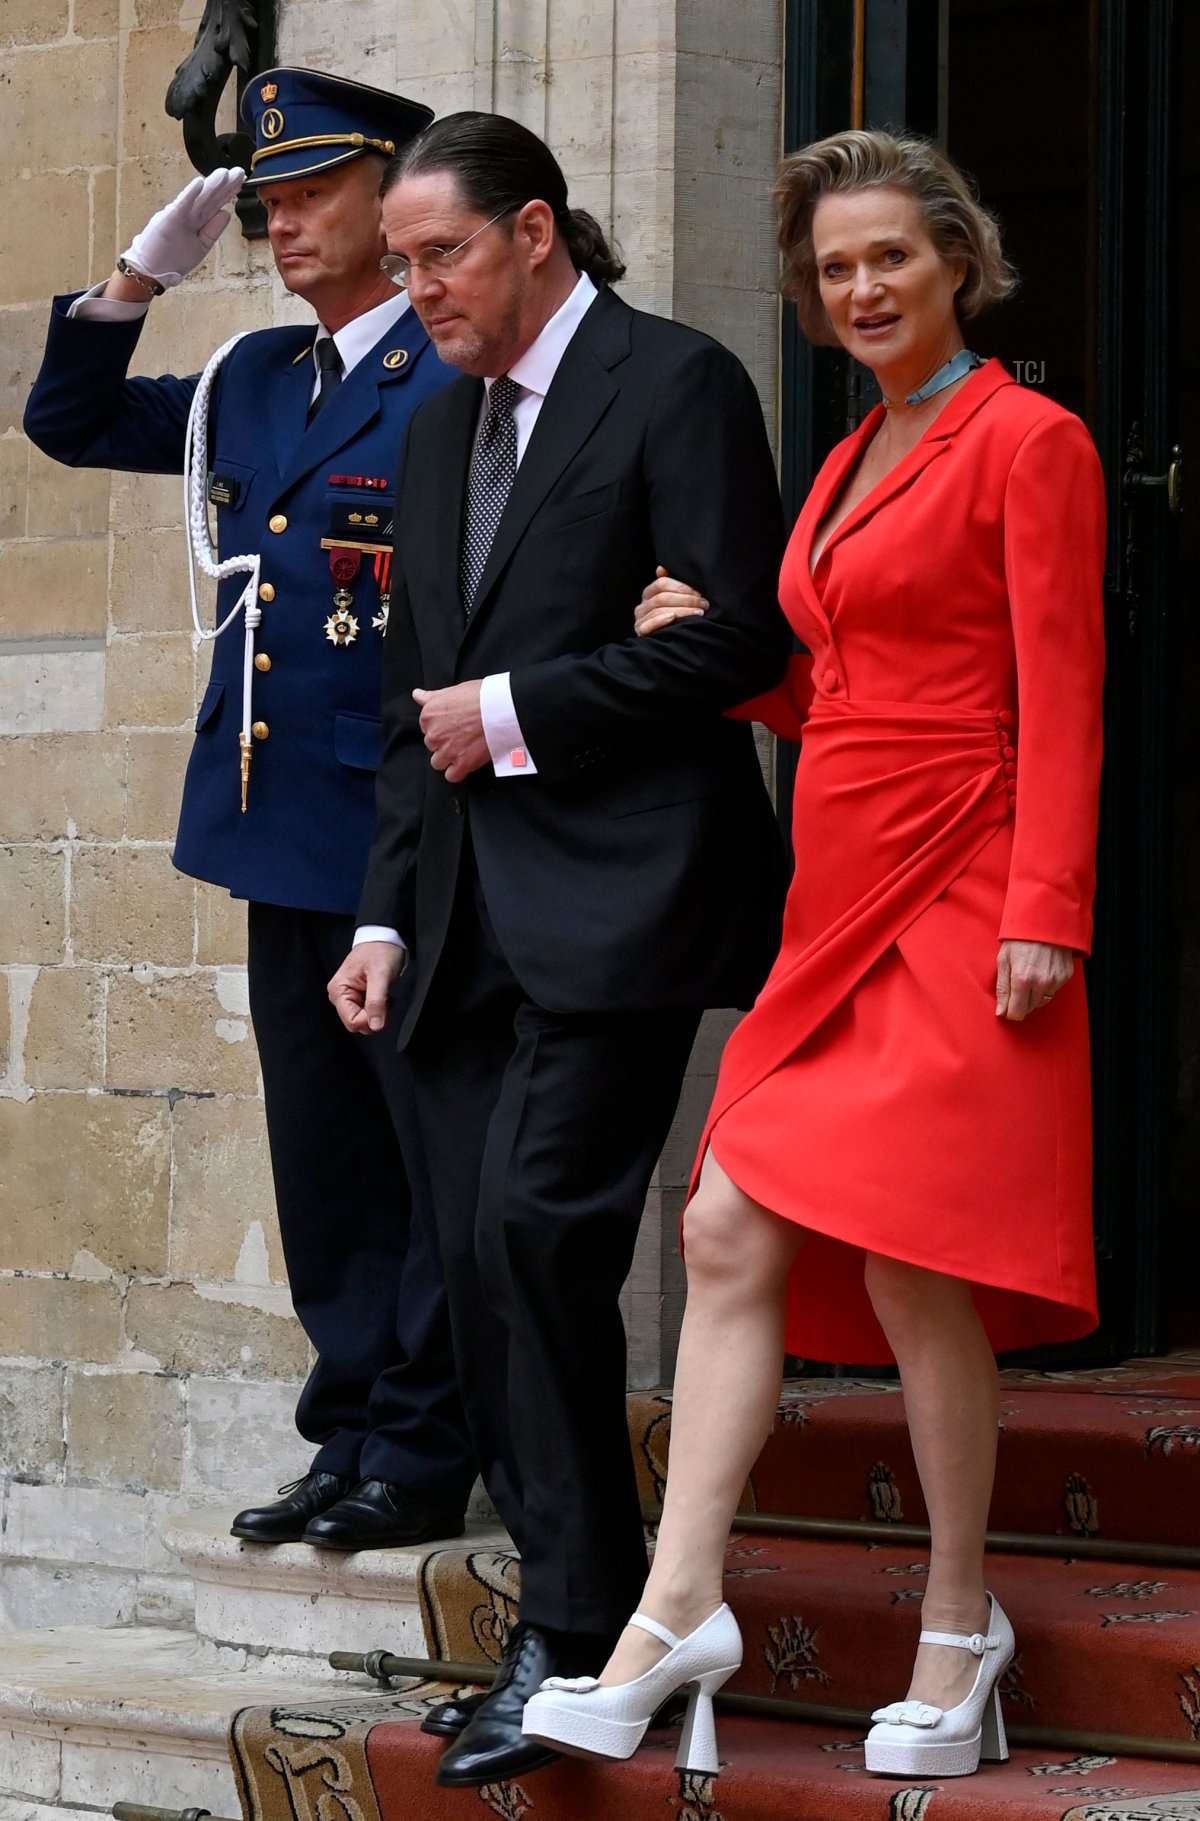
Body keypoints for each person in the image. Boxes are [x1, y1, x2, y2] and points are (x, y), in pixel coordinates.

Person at [522, 128, 1106, 1781]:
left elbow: (1060, 689)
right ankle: (679, 1602)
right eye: (834, 268)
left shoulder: (1030, 437)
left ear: (957, 262)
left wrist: (1047, 908)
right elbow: (846, 675)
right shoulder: (851, 455)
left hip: (967, 876)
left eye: (889, 259)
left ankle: (957, 1613)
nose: (860, 287)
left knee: (921, 1261)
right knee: (721, 1222)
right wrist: (718, 670)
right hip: (836, 884)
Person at [327, 112, 790, 1787]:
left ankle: (578, 1623)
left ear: (536, 231)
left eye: (437, 253)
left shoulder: (677, 384)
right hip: (453, 923)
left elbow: (744, 635)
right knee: (476, 1255)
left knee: (535, 1231)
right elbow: (411, 701)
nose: (417, 287)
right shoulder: (441, 422)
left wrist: (520, 709)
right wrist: (382, 911)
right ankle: (570, 1603)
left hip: (627, 901)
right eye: (401, 263)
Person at [23, 68, 477, 1552]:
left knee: (423, 1154)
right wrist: (133, 277)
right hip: (280, 814)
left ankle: (423, 1442)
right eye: (267, 203)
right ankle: (347, 1426)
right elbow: (69, 421)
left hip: (411, 826)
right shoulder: (261, 379)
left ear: (398, 188)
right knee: (325, 1155)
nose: (285, 224)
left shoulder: (461, 365)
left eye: (315, 194)